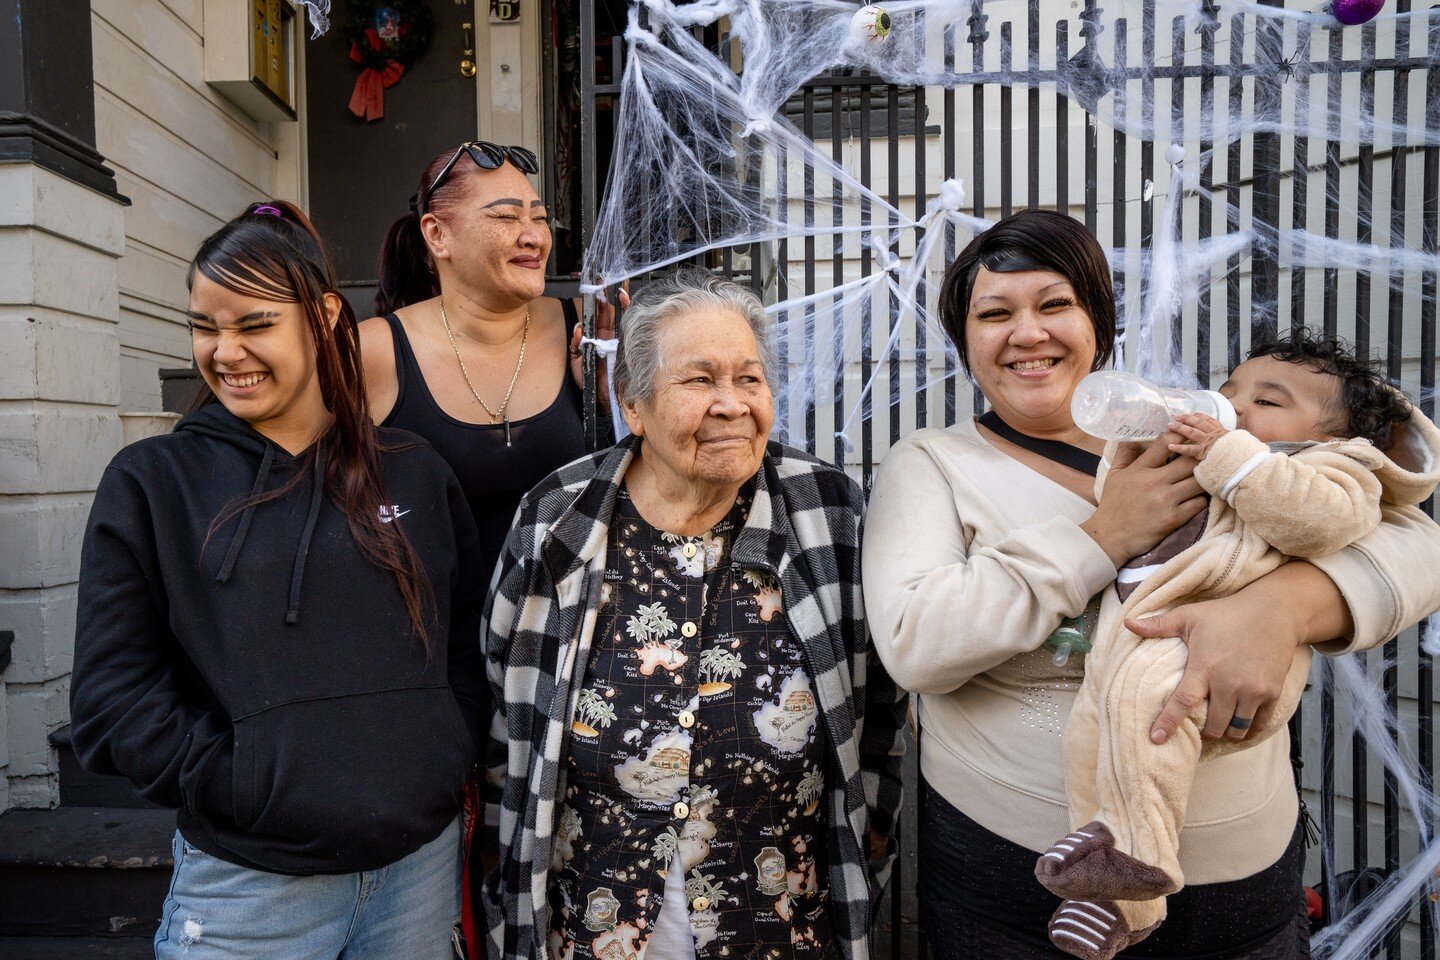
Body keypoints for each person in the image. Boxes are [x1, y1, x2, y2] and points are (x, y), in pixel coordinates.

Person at [861, 210, 1440, 959]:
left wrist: (1285, 607)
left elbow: (1408, 531)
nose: (1027, 333)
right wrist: (1103, 537)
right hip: (1019, 882)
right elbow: (914, 645)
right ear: (966, 342)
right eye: (994, 314)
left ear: (1098, 324)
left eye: (1055, 305)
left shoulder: (1200, 436)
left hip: (1241, 881)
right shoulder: (932, 463)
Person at [70, 201, 486, 959]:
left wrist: (438, 754)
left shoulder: (417, 473)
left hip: (415, 877)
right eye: (205, 326)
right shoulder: (154, 483)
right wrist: (248, 783)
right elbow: (111, 701)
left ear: (324, 315)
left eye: (254, 324)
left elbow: (461, 646)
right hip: (251, 891)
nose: (226, 352)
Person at [481, 269, 907, 960]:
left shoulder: (828, 512)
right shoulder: (559, 518)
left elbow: (883, 710)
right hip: (599, 923)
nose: (732, 404)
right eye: (700, 380)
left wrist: (870, 842)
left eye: (749, 379)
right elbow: (507, 723)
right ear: (634, 404)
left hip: (777, 925)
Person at [1036, 331, 1440, 959]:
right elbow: (1113, 499)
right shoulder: (1208, 457)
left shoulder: (1332, 467)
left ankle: (1136, 876)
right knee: (1090, 737)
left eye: (1268, 401)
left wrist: (1233, 457)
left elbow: (1321, 521)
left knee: (1149, 721)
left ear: (1334, 436)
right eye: (1230, 392)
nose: (1237, 407)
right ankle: (1097, 860)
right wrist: (1143, 437)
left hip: (1205, 658)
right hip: (1131, 638)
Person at [362, 140, 616, 594]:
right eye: (505, 217)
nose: (534, 237)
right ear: (437, 235)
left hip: (565, 638)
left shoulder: (589, 328)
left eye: (538, 218)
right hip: (432, 642)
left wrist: (608, 396)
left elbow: (647, 482)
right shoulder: (373, 351)